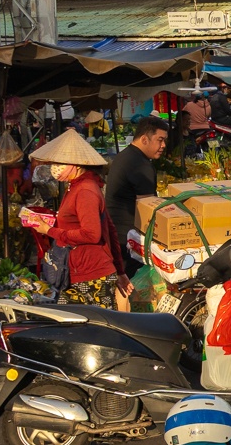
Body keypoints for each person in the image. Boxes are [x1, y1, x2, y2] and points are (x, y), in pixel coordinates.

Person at [34, 129, 128, 310]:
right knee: (69, 322)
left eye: (61, 162)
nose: (55, 167)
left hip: (92, 275)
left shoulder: (85, 190)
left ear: (76, 164)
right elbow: (109, 229)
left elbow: (92, 234)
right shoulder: (76, 187)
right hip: (77, 272)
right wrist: (120, 270)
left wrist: (50, 231)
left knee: (96, 325)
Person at [106, 116, 169, 251]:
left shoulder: (125, 155)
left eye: (164, 140)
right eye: (160, 140)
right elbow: (148, 207)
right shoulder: (140, 164)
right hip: (129, 237)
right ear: (144, 139)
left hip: (115, 231)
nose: (163, 145)